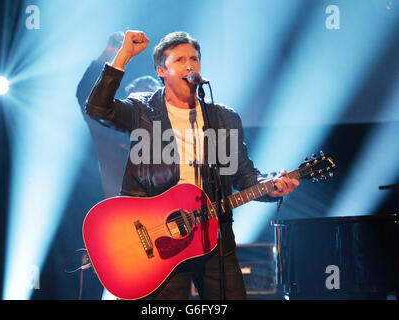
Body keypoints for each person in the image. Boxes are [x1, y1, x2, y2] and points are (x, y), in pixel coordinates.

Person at [85, 30, 299, 299]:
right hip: (158, 242)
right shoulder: (142, 110)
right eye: (180, 60)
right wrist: (123, 56)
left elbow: (245, 177)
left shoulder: (223, 118)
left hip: (214, 242)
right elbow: (97, 109)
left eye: (194, 59)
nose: (190, 66)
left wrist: (270, 186)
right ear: (161, 71)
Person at [76, 32, 160, 197]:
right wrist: (108, 54)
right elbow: (87, 95)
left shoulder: (166, 137)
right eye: (137, 98)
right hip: (120, 215)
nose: (142, 103)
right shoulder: (109, 133)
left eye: (148, 98)